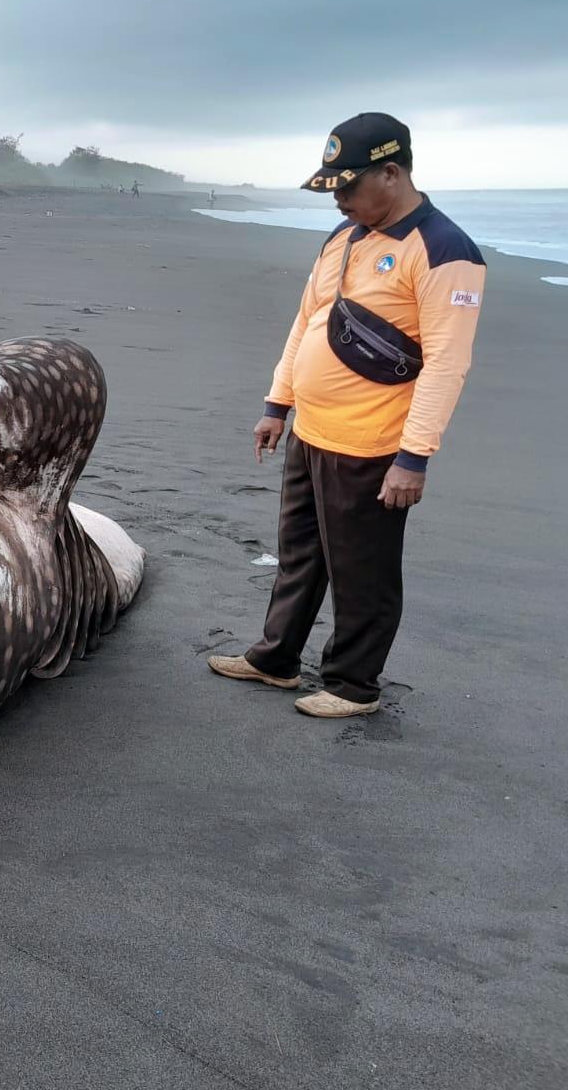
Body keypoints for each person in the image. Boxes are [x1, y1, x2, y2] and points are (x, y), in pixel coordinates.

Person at [207, 112, 485, 718]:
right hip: (310, 430)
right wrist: (277, 403)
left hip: (373, 443)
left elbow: (445, 364)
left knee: (363, 570)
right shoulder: (343, 238)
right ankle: (276, 659)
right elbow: (306, 321)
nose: (338, 200)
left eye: (348, 186)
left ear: (392, 172)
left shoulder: (444, 251)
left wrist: (413, 459)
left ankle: (354, 684)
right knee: (299, 554)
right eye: (331, 186)